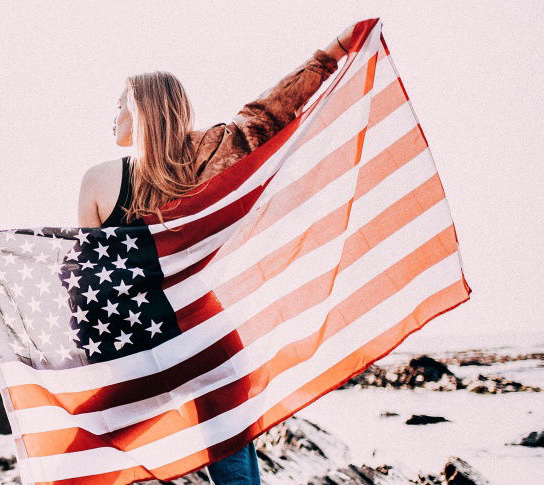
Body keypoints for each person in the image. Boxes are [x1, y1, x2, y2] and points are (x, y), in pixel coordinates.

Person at [75, 24, 361, 484]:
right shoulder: (208, 159)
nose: (112, 116)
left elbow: (87, 284)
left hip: (140, 344)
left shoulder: (97, 180)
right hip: (205, 334)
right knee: (233, 471)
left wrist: (93, 360)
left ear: (141, 110)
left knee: (82, 457)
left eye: (118, 104)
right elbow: (270, 115)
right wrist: (333, 55)